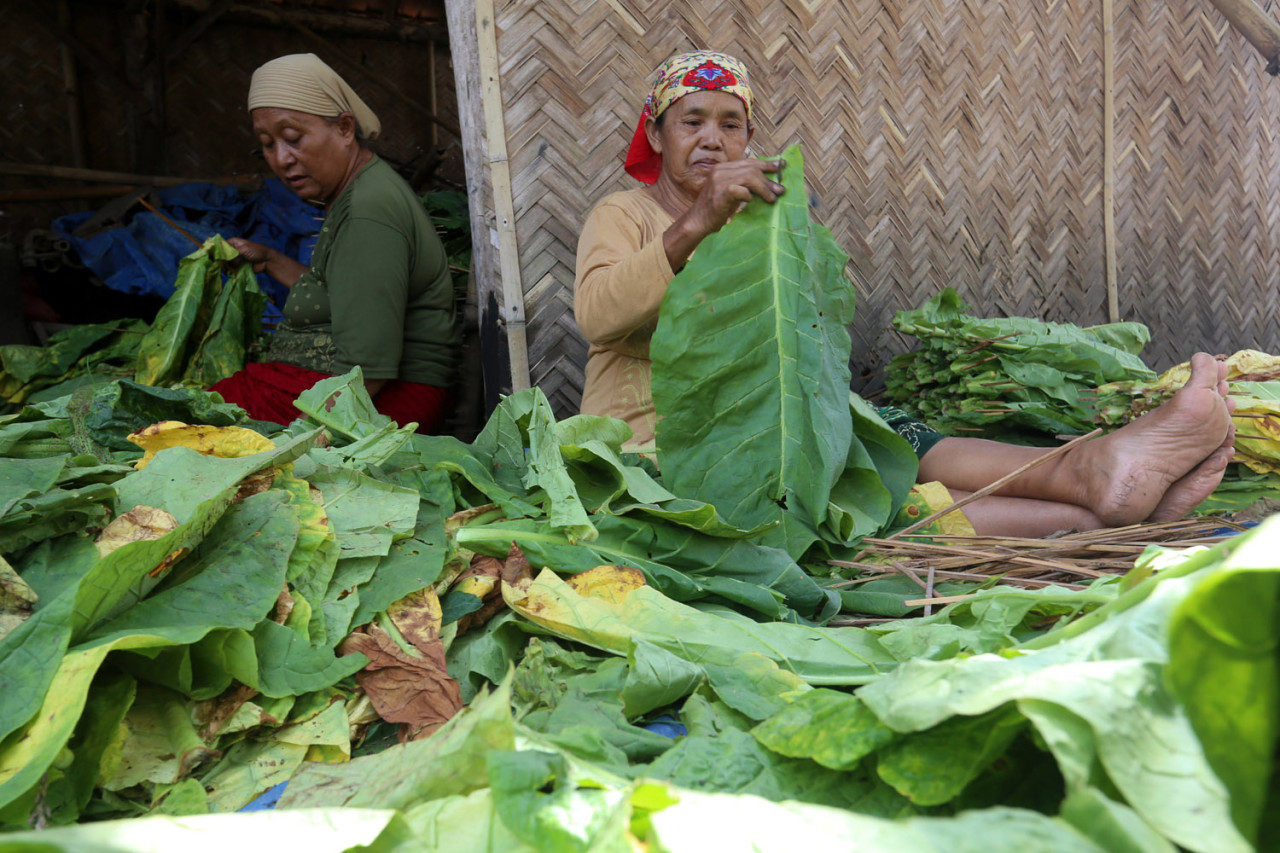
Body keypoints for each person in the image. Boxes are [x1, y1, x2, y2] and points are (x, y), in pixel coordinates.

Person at [573, 50, 1236, 537]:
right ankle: (1100, 514)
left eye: (731, 123)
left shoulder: (762, 224)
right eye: (692, 121)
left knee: (897, 441)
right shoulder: (623, 215)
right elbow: (599, 317)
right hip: (661, 443)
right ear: (657, 136)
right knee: (854, 504)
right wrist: (696, 224)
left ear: (749, 138)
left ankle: (1097, 469)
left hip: (781, 415)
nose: (713, 139)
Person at [210, 53, 461, 434]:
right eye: (267, 144)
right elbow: (341, 294)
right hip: (356, 391)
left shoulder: (367, 211)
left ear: (345, 128)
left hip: (386, 402)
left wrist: (304, 439)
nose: (281, 159)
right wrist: (272, 260)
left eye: (293, 138)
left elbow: (367, 372)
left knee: (194, 424)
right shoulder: (357, 191)